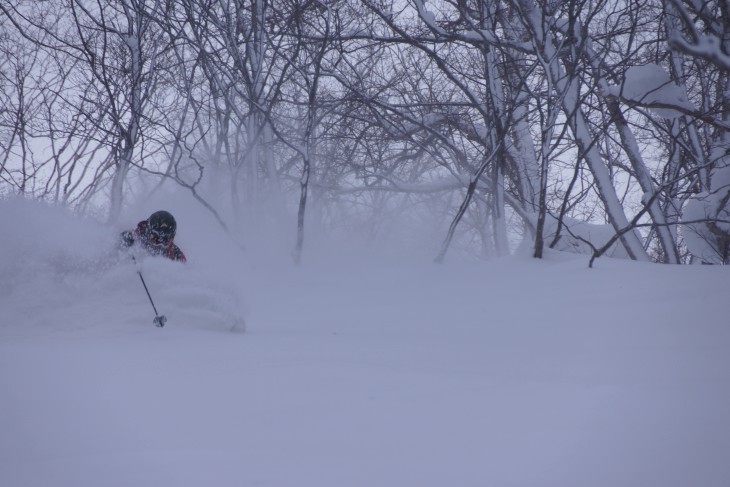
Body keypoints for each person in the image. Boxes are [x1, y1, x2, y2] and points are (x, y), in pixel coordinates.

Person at [120, 210, 187, 263]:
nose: (159, 244)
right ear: (148, 233)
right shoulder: (136, 238)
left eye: (165, 240)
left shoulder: (176, 256)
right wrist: (125, 239)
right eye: (155, 238)